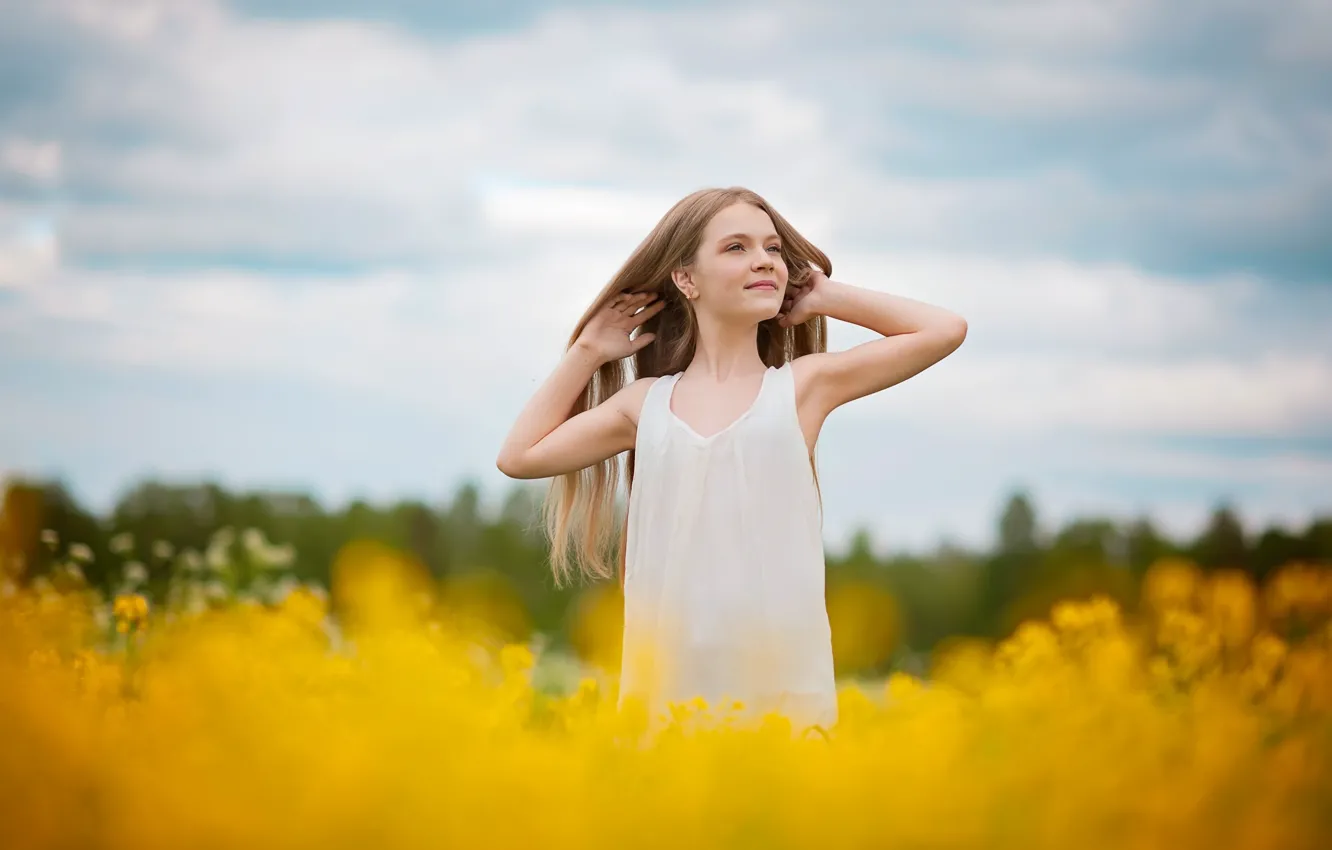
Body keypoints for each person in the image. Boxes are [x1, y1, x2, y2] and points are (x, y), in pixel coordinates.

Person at [497, 186, 966, 735]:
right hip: (666, 697)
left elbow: (944, 329)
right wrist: (589, 351)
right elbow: (520, 456)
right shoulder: (643, 405)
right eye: (736, 248)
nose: (764, 259)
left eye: (771, 248)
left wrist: (824, 297)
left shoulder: (803, 387)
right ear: (685, 279)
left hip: (782, 697)